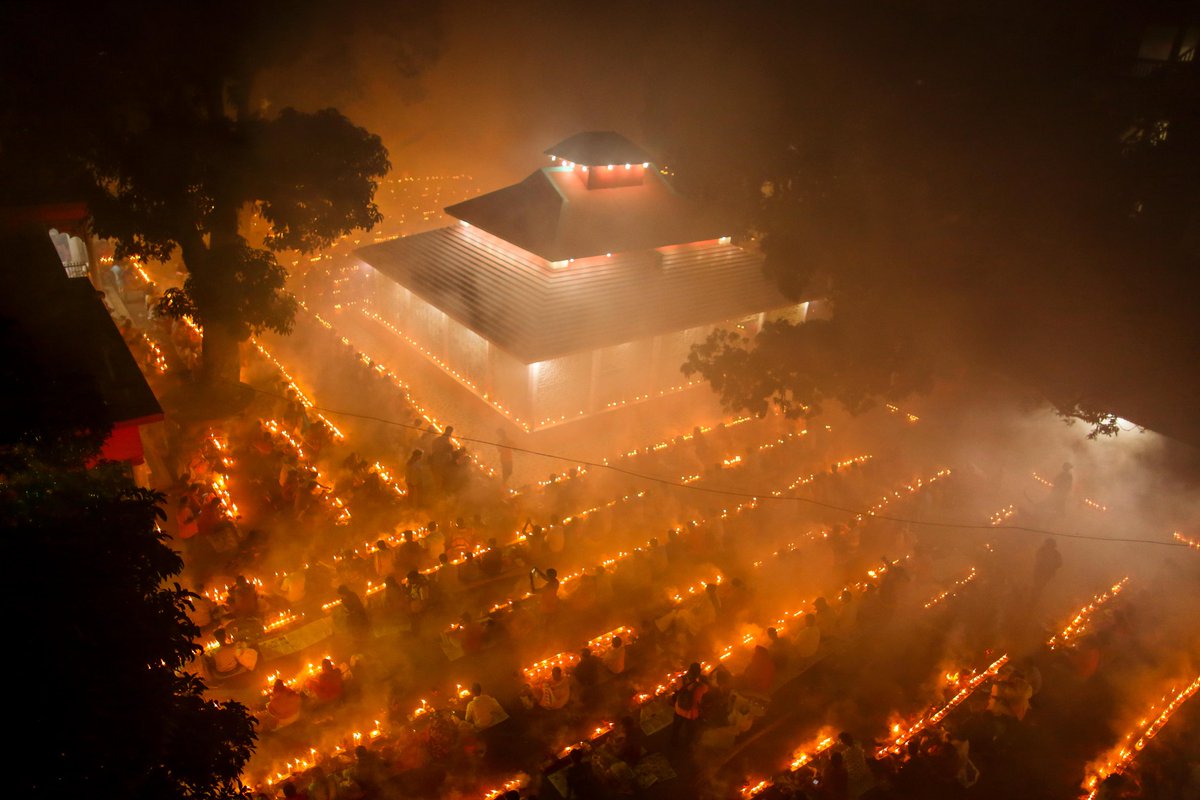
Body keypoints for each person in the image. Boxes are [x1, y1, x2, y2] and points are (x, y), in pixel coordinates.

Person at [670, 663, 708, 749]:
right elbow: (704, 692)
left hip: (679, 709)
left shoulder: (680, 679)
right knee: (690, 731)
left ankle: (673, 742)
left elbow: (678, 690)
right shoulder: (701, 686)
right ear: (698, 673)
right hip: (691, 713)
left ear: (689, 670)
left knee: (676, 727)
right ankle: (687, 746)